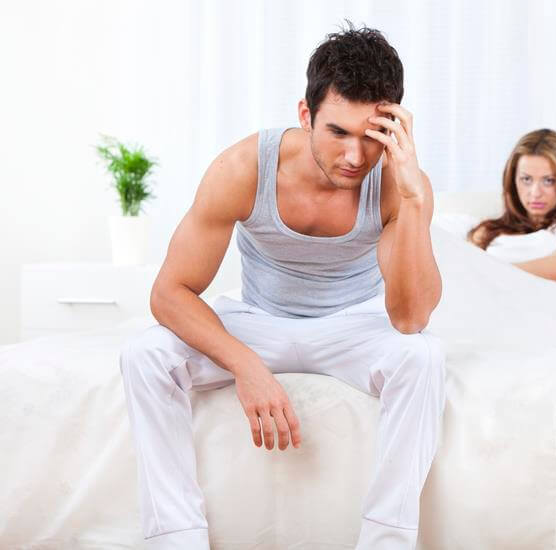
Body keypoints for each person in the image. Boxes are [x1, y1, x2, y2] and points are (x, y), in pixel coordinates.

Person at [119, 23, 445, 550]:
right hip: (260, 320)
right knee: (145, 354)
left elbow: (409, 318)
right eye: (338, 132)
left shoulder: (399, 185)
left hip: (352, 325)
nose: (355, 157)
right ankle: (176, 538)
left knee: (424, 357)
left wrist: (411, 198)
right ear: (305, 115)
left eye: (371, 137)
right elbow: (169, 292)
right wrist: (244, 365)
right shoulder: (244, 167)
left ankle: (387, 541)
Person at [467, 129, 556, 297]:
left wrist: (490, 272)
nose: (535, 193)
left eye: (549, 180)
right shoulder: (487, 231)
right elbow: (467, 278)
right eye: (526, 179)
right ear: (513, 180)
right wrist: (551, 275)